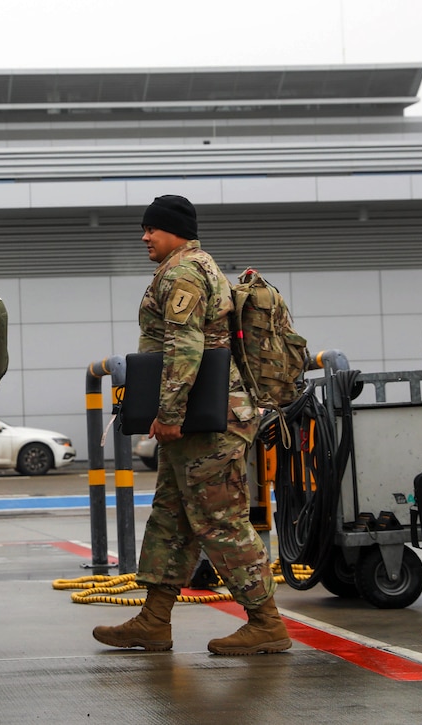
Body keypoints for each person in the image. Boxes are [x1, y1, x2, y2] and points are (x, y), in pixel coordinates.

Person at [92, 195, 290, 656]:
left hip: (208, 421)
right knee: (170, 520)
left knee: (221, 521)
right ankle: (153, 621)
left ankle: (266, 622)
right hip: (203, 417)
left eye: (152, 229)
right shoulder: (191, 267)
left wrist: (170, 414)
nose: (144, 237)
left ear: (174, 230)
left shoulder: (183, 272)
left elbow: (185, 346)